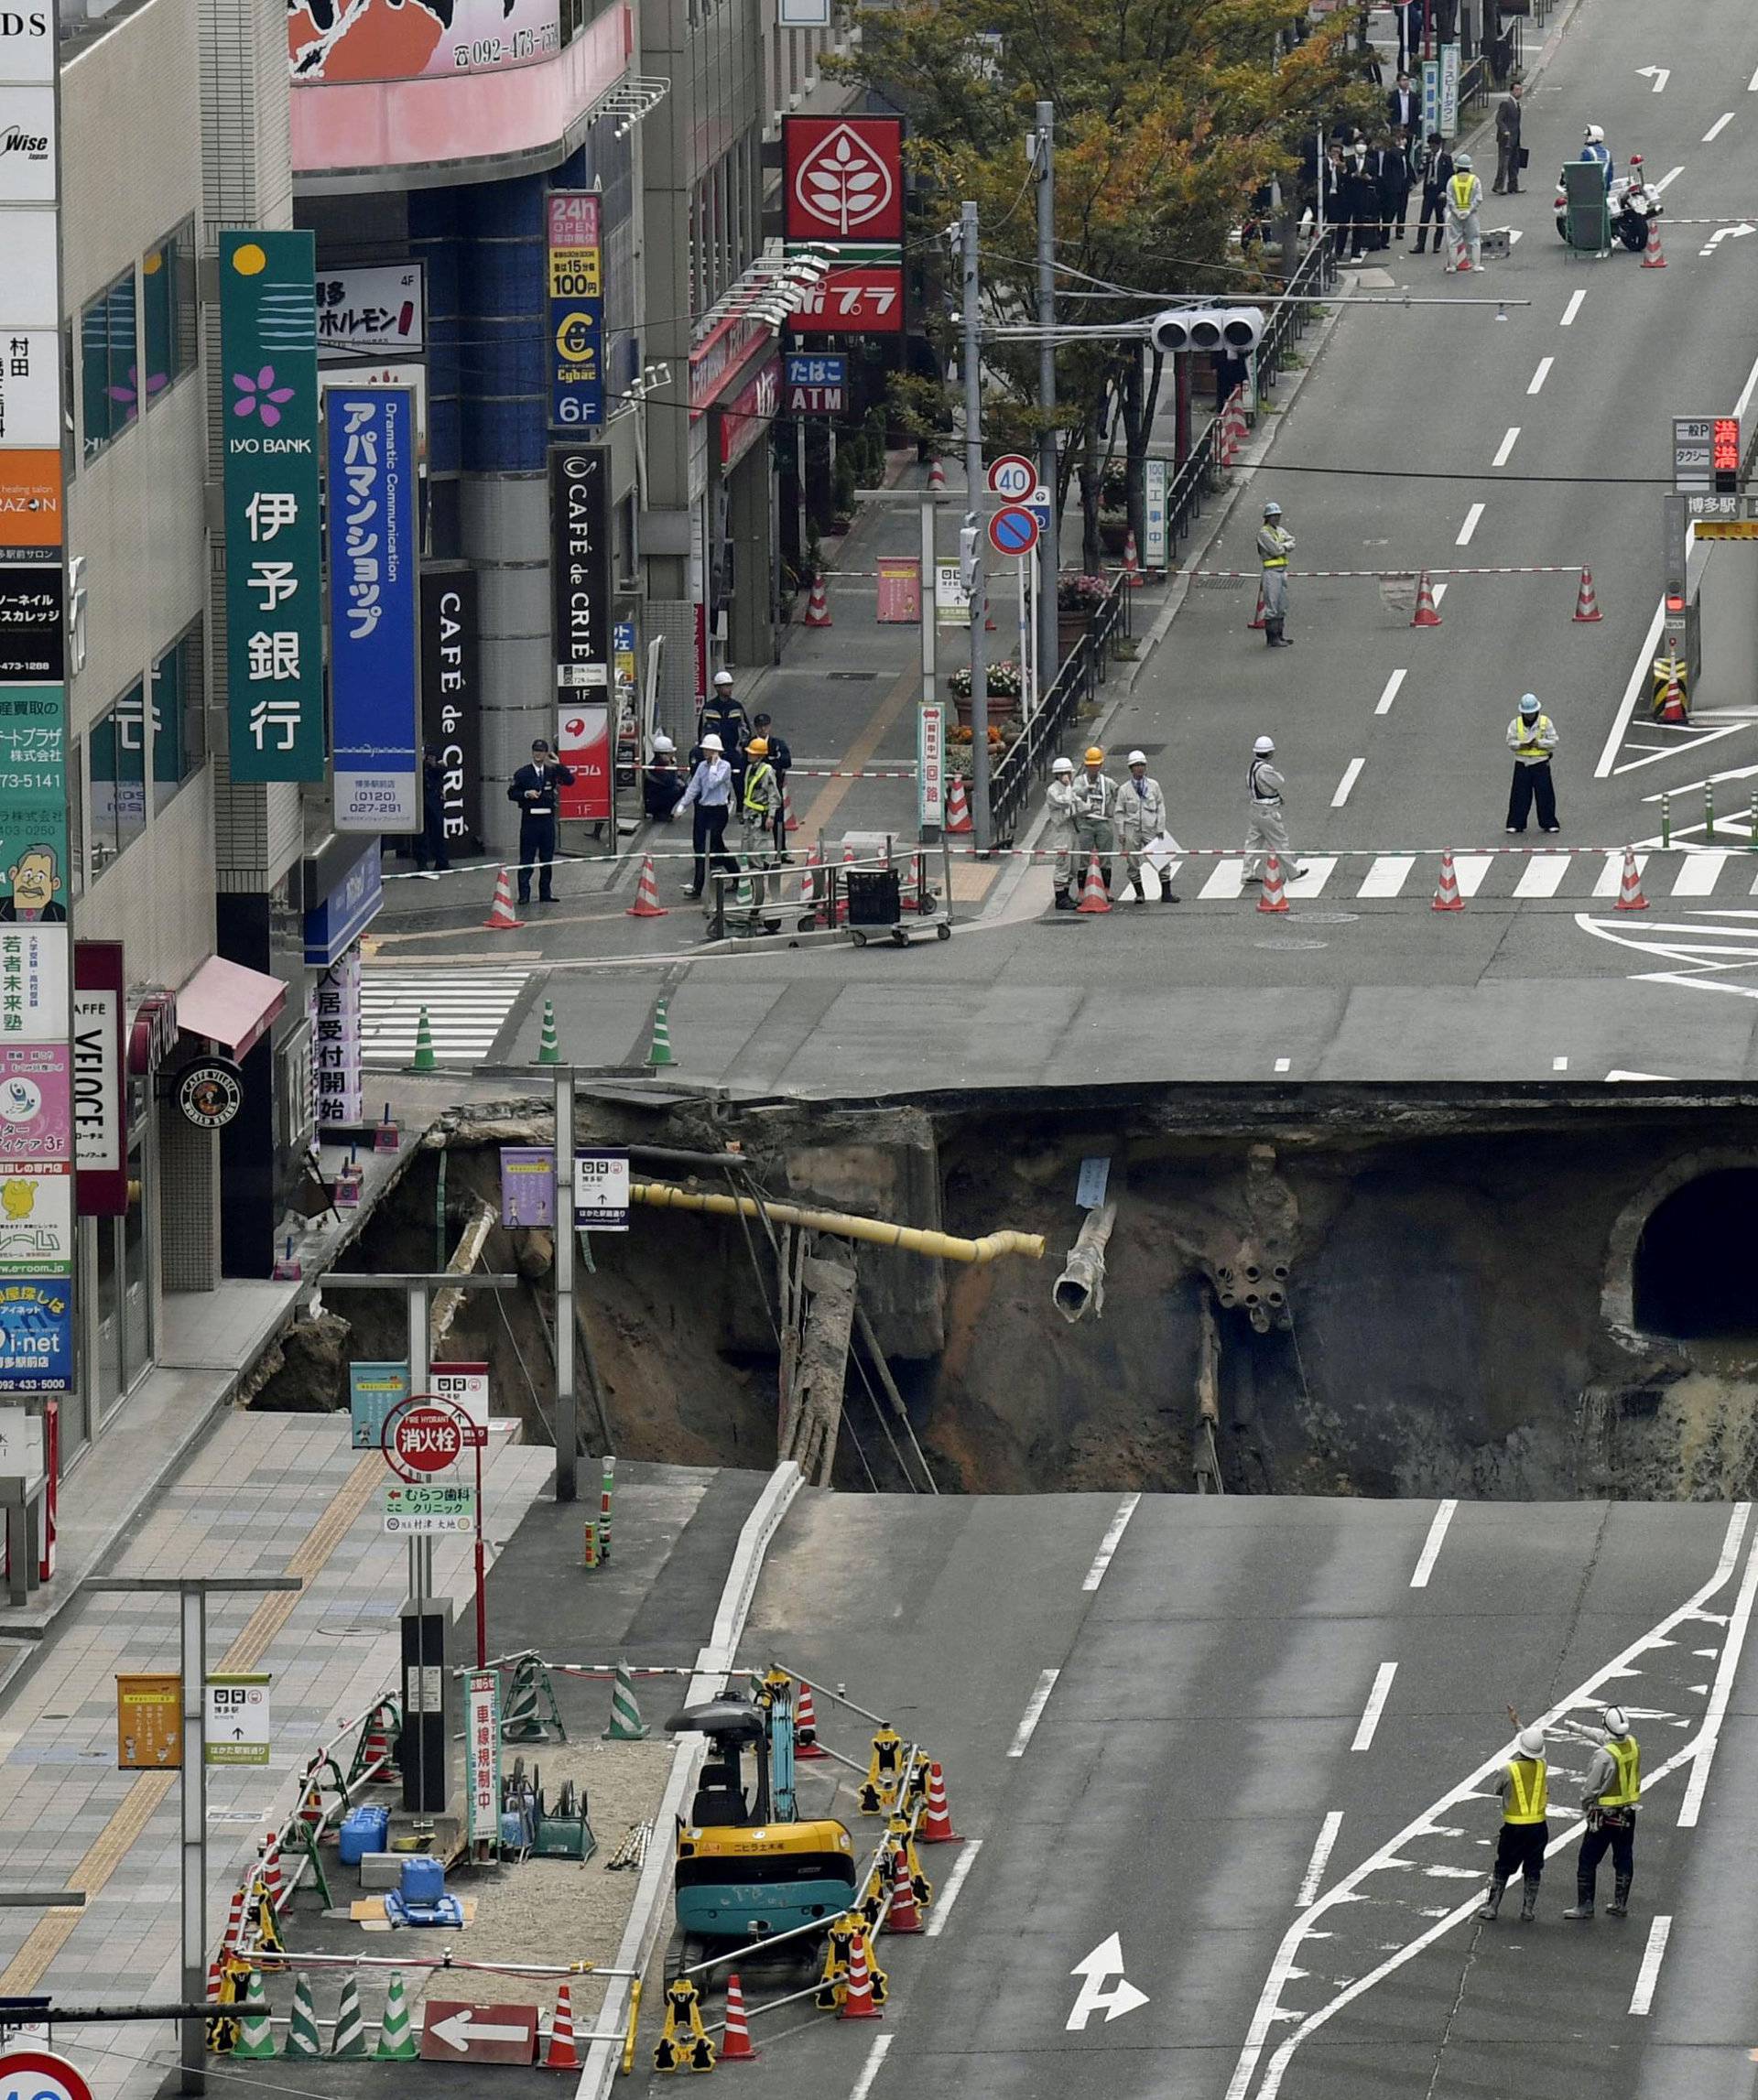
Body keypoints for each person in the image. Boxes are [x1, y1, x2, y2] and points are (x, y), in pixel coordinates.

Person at [1564, 1706, 1640, 1920]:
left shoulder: (1604, 1756)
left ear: (1607, 1726)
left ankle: (1585, 1906)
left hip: (1604, 1816)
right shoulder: (1631, 1744)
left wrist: (1586, 1806)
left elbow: (1590, 1788)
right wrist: (1578, 1728)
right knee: (1624, 1857)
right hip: (1628, 1813)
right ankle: (1620, 1903)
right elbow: (1603, 1738)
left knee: (1587, 1859)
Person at [1479, 1725, 1549, 1923]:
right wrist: (1519, 1725)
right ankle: (1528, 1909)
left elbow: (1497, 1790)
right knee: (1533, 1868)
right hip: (1539, 1827)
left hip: (1514, 1828)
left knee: (1503, 1867)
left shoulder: (1508, 1770)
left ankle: (1492, 1907)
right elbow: (1532, 1745)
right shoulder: (1542, 1765)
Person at [505, 737, 575, 904]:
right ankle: (524, 894)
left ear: (545, 754)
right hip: (530, 821)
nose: (538, 754)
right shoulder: (523, 773)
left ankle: (545, 893)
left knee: (546, 858)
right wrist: (525, 794)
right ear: (532, 752)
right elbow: (511, 794)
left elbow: (570, 781)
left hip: (547, 820)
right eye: (536, 751)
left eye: (541, 751)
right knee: (527, 858)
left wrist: (559, 764)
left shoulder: (551, 771)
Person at [671, 731, 736, 899]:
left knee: (713, 845)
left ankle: (736, 876)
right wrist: (681, 807)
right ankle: (697, 887)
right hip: (704, 811)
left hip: (718, 811)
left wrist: (714, 764)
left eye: (709, 750)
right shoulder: (701, 766)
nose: (705, 752)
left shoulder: (725, 767)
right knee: (700, 849)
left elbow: (714, 782)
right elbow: (693, 787)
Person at [1116, 752, 1180, 903]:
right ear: (1131, 769)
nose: (1139, 768)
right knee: (1132, 862)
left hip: (1151, 827)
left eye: (1142, 765)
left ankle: (1166, 893)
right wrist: (1121, 832)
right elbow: (1119, 812)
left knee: (1163, 859)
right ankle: (1139, 894)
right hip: (1132, 829)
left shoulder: (1153, 785)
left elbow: (1161, 807)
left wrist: (1160, 827)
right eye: (1136, 766)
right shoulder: (1124, 789)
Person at [1243, 735, 1305, 882]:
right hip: (1267, 810)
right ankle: (1292, 871)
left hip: (1256, 807)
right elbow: (1279, 781)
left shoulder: (1253, 766)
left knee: (1253, 842)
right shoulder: (1265, 769)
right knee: (1280, 841)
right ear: (1270, 752)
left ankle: (1247, 872)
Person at [733, 735, 781, 923]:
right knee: (745, 854)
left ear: (759, 755)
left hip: (760, 819)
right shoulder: (749, 769)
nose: (749, 756)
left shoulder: (767, 771)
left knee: (757, 855)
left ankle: (761, 893)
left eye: (752, 753)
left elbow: (773, 795)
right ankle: (749, 891)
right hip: (748, 817)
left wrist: (770, 816)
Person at [1505, 693, 1559, 834]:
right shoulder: (1515, 724)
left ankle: (1549, 822)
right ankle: (1516, 823)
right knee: (1519, 795)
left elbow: (1553, 741)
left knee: (1545, 794)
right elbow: (1510, 742)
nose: (1529, 716)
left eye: (1531, 713)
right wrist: (1521, 745)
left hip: (1540, 763)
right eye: (1526, 713)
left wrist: (1539, 743)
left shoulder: (1545, 723)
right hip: (1522, 763)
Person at [1074, 746, 1119, 893]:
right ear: (1086, 765)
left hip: (1103, 822)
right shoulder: (1079, 781)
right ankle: (1081, 890)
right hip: (1085, 823)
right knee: (1084, 857)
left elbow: (1120, 794)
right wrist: (1085, 790)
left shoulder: (1108, 782)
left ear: (1100, 765)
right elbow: (1073, 794)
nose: (1093, 768)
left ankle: (1106, 889)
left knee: (1105, 857)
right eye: (1090, 765)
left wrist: (1115, 810)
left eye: (1096, 765)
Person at [698, 670, 752, 795]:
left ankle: (739, 808)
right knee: (718, 782)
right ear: (717, 688)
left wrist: (742, 747)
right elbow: (702, 732)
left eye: (730, 685)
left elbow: (745, 729)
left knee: (739, 781)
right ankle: (722, 806)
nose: (729, 689)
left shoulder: (736, 707)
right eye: (726, 686)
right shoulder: (709, 708)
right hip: (715, 752)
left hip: (734, 750)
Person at [751, 711, 793, 856]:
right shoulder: (750, 744)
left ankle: (781, 850)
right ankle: (755, 851)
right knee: (755, 821)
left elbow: (787, 762)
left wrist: (769, 762)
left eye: (765, 726)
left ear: (769, 726)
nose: (762, 729)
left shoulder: (777, 744)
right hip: (756, 791)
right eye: (759, 726)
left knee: (778, 819)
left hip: (775, 787)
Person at [1046, 755, 1082, 911]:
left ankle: (1066, 895)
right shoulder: (1053, 790)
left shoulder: (1069, 788)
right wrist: (1068, 787)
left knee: (1074, 864)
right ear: (1061, 774)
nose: (1069, 776)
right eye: (1067, 773)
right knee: (1063, 863)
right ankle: (1060, 899)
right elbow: (1065, 801)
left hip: (1072, 827)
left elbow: (1075, 801)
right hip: (1061, 830)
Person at [1257, 501, 1295, 649]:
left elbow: (1292, 541)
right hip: (1271, 572)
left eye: (1278, 515)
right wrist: (1286, 546)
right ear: (1267, 517)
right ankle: (1272, 638)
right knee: (1272, 605)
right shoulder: (1264, 532)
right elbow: (1276, 550)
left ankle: (1279, 635)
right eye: (1273, 516)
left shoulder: (1279, 530)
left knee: (1281, 605)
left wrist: (1284, 546)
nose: (1276, 518)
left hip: (1281, 571)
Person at [0, 843, 66, 922]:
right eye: (27, 875)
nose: (30, 883)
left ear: (55, 884)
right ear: (13, 874)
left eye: (39, 877)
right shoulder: (1, 906)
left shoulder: (59, 913)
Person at [1413, 132, 1455, 255]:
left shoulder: (1446, 158)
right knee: (1424, 218)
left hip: (1440, 191)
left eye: (1434, 146)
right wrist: (1423, 163)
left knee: (1440, 219)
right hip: (1429, 190)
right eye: (1430, 146)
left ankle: (1437, 244)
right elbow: (1420, 171)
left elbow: (1450, 176)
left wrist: (1446, 192)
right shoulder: (1427, 157)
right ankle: (1420, 244)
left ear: (1439, 145)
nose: (1432, 149)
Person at [414, 746, 451, 876]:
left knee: (437, 829)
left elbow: (444, 770)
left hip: (434, 797)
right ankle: (421, 863)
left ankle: (441, 861)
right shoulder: (412, 752)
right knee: (420, 833)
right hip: (418, 797)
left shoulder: (435, 753)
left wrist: (432, 764)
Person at [1445, 150, 1484, 271]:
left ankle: (1452, 266)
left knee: (1453, 240)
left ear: (1457, 167)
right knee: (1474, 239)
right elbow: (1479, 198)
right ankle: (1476, 265)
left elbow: (1449, 198)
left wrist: (1456, 211)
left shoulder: (1452, 180)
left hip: (1455, 214)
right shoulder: (1474, 180)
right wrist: (1469, 210)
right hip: (1470, 214)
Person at [1378, 129, 1415, 244]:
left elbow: (1407, 166)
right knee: (1391, 209)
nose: (1405, 142)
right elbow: (1395, 162)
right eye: (1402, 139)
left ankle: (1400, 230)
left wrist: (1412, 179)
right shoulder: (1392, 153)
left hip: (1404, 184)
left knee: (1402, 208)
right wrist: (1401, 148)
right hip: (1393, 186)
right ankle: (1385, 234)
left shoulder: (1404, 153)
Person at [643, 733, 686, 823]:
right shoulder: (655, 767)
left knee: (681, 787)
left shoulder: (662, 765)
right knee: (675, 790)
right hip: (652, 800)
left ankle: (665, 812)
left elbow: (680, 779)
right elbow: (670, 781)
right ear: (663, 755)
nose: (672, 755)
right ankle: (660, 814)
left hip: (658, 796)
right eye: (670, 753)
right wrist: (672, 767)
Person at [1494, 79, 1524, 195]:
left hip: (1515, 139)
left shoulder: (1517, 105)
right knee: (1504, 163)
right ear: (1511, 91)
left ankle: (1513, 185)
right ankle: (1498, 186)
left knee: (1514, 163)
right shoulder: (1506, 104)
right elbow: (1499, 119)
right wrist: (1505, 131)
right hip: (1506, 140)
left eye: (1520, 90)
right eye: (1517, 89)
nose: (1519, 92)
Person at [1387, 68, 1420, 135]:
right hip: (1396, 127)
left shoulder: (1413, 96)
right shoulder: (1392, 96)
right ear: (1398, 82)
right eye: (1403, 80)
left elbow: (1416, 112)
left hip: (1410, 128)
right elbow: (1388, 111)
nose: (1406, 82)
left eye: (1407, 80)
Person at [1581, 123, 1612, 192]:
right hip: (1603, 192)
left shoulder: (1587, 152)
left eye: (1587, 136)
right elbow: (1610, 175)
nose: (1586, 138)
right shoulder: (1608, 154)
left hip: (1589, 191)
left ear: (1592, 136)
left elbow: (1582, 172)